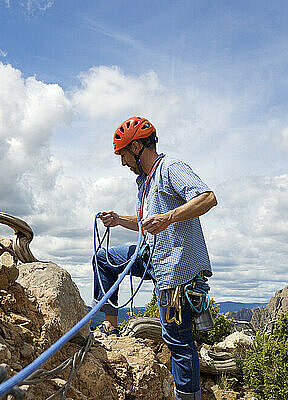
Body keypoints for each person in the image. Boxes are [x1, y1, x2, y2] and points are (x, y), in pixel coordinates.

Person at [92, 116, 217, 400]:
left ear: (136, 147)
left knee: (178, 340)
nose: (122, 162)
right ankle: (109, 325)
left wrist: (169, 217)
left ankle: (188, 396)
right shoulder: (144, 181)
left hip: (177, 269)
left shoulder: (172, 167)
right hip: (152, 256)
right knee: (103, 259)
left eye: (123, 154)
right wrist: (119, 220)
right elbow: (147, 222)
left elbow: (208, 198)